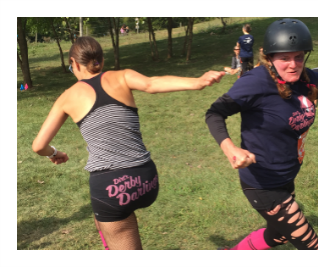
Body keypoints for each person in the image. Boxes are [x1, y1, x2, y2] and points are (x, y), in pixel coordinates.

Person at [31, 37, 225, 250]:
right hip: (146, 180)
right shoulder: (123, 76)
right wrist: (198, 82)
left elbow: (39, 146)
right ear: (101, 61)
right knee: (102, 216)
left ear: (74, 63)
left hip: (111, 187)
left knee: (108, 213)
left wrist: (54, 153)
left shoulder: (67, 97)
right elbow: (152, 84)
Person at [205, 18, 318, 250]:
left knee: (278, 236)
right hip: (262, 184)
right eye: (284, 58)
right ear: (270, 57)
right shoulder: (256, 82)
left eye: (298, 57)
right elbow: (214, 113)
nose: (293, 65)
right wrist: (230, 149)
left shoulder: (307, 79)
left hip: (285, 178)